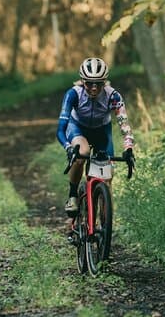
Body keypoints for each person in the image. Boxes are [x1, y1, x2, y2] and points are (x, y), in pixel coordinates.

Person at [56, 57, 135, 221]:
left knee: (106, 179)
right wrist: (68, 148)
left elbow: (125, 126)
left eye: (98, 83)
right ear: (82, 81)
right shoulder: (73, 94)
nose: (93, 88)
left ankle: (105, 228)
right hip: (78, 128)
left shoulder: (113, 96)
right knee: (82, 153)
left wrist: (128, 148)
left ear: (104, 82)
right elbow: (60, 130)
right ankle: (73, 196)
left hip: (101, 131)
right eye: (89, 83)